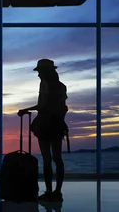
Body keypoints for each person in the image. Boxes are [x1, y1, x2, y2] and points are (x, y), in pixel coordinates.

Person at [18, 58, 68, 203]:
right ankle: (58, 192)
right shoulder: (61, 86)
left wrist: (25, 110)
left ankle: (48, 191)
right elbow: (62, 105)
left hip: (45, 125)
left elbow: (42, 106)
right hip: (58, 124)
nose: (38, 75)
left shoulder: (44, 84)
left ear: (45, 72)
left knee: (47, 160)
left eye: (39, 72)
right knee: (58, 159)